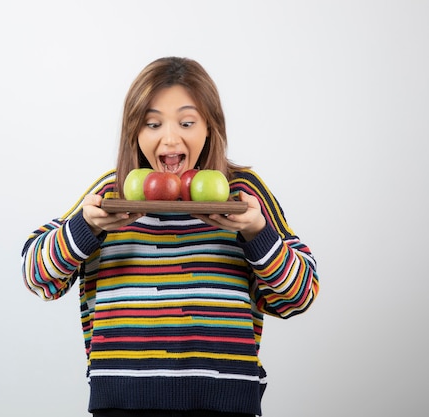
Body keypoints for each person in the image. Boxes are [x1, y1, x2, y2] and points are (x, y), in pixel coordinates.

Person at [21, 56, 319, 417]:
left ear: (210, 127)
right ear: (135, 132)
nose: (170, 137)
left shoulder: (241, 194)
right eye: (153, 123)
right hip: (122, 402)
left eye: (187, 121)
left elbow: (299, 296)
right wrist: (87, 227)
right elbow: (37, 277)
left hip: (225, 404)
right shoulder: (111, 196)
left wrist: (256, 232)